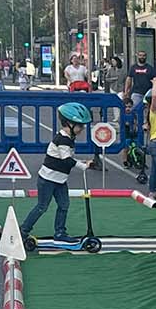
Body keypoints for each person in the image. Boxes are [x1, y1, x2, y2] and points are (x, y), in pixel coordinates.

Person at [20, 102, 91, 243]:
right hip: (47, 179)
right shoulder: (63, 139)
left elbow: (66, 157)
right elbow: (66, 160)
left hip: (60, 180)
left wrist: (81, 161)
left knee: (64, 205)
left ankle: (60, 233)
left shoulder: (68, 138)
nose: (82, 129)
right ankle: (23, 230)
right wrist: (82, 166)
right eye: (80, 125)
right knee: (42, 207)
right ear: (69, 123)